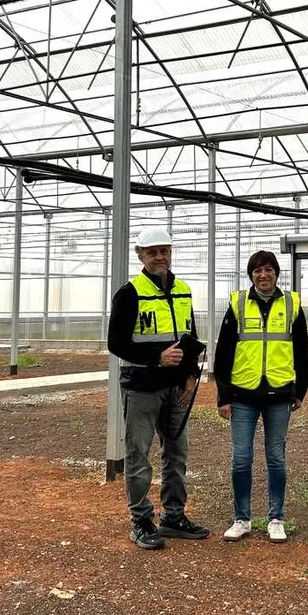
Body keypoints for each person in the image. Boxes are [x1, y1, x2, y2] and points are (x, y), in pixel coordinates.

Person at [107, 226, 210, 549]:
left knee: (176, 454)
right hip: (142, 388)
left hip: (176, 388)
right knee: (139, 454)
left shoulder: (183, 290)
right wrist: (157, 357)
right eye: (152, 252)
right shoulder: (130, 293)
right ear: (141, 256)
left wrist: (190, 373)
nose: (159, 257)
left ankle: (173, 516)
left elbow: (189, 337)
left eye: (164, 251)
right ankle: (140, 520)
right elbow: (116, 343)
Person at [213, 250, 308, 544]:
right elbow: (224, 352)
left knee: (276, 458)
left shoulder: (292, 304)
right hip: (243, 394)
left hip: (279, 394)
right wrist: (223, 396)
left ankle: (276, 519)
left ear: (276, 273)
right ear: (251, 275)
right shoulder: (238, 304)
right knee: (241, 459)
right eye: (257, 271)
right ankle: (241, 519)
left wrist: (299, 391)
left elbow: (302, 352)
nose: (263, 275)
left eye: (268, 269)